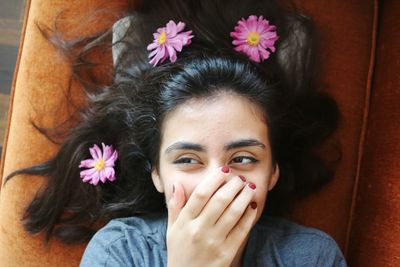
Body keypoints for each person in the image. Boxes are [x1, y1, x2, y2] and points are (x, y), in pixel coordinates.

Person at [6, 0, 347, 266]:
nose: (217, 183)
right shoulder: (121, 253)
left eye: (242, 158)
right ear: (157, 175)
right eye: (187, 160)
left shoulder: (311, 256)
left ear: (273, 171)